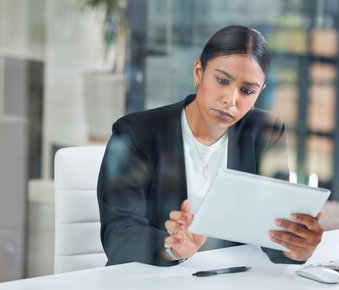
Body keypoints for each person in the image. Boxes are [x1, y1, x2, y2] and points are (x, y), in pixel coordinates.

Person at [97, 25, 323, 266]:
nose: (230, 99)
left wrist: (296, 249)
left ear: (260, 93)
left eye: (247, 90)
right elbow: (118, 235)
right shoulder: (136, 133)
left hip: (229, 280)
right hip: (152, 282)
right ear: (198, 72)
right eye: (221, 80)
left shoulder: (265, 132)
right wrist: (172, 248)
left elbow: (271, 231)